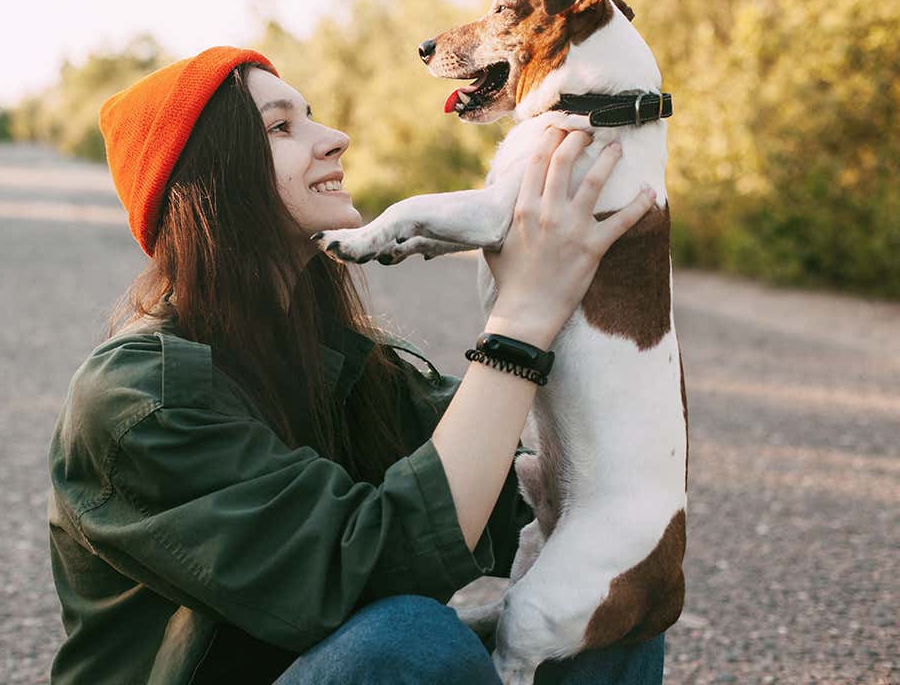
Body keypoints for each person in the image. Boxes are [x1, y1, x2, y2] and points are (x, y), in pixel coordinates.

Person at [47, 46, 664, 684]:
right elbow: (367, 567)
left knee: (613, 590)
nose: (335, 138)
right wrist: (522, 321)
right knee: (409, 641)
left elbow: (510, 487)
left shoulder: (336, 356)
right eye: (281, 127)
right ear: (210, 180)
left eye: (311, 117)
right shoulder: (138, 399)